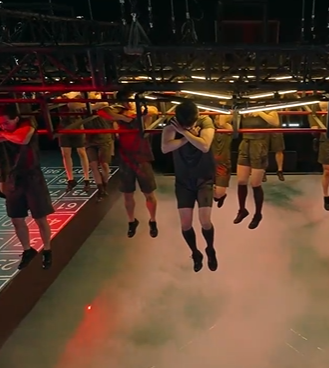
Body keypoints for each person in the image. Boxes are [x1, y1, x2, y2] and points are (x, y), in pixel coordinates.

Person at [0, 105, 55, 270]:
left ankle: (47, 250)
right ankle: (27, 250)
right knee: (16, 219)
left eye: (6, 123)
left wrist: (1, 135)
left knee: (40, 218)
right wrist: (6, 135)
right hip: (11, 178)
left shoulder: (27, 123)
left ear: (16, 118)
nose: (2, 126)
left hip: (32, 177)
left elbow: (22, 139)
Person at [161, 101, 219, 272]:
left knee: (205, 220)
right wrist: (188, 136)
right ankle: (195, 252)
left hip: (204, 177)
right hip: (183, 179)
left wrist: (183, 133)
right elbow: (165, 147)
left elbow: (205, 145)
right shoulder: (172, 125)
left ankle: (210, 249)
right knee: (185, 223)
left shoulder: (206, 121)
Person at [111, 90, 161, 238]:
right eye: (124, 101)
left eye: (129, 100)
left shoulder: (142, 111)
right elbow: (104, 112)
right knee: (127, 194)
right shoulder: (118, 112)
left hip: (141, 158)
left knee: (149, 193)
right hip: (125, 158)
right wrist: (123, 117)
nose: (127, 103)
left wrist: (134, 114)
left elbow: (153, 110)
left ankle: (153, 220)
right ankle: (131, 221)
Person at [59, 92, 115, 201]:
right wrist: (91, 106)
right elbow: (72, 105)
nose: (88, 93)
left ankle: (104, 184)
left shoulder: (99, 99)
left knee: (104, 165)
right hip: (90, 138)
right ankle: (100, 190)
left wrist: (91, 105)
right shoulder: (81, 101)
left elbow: (104, 104)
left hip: (104, 137)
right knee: (93, 165)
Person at [234, 110, 281, 229]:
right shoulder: (244, 107)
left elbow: (275, 122)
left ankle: (258, 214)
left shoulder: (267, 108)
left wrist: (259, 113)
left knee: (255, 183)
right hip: (245, 142)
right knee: (241, 181)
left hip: (259, 144)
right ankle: (242, 209)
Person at [56, 93, 92, 193]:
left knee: (82, 152)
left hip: (77, 125)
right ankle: (70, 179)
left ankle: (86, 179)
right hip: (64, 127)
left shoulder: (79, 94)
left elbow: (74, 105)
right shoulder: (61, 95)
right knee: (65, 154)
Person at [211, 113, 234, 207]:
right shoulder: (210, 128)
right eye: (216, 117)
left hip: (222, 164)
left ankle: (221, 196)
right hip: (210, 163)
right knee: (204, 191)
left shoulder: (228, 127)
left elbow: (222, 123)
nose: (218, 119)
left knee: (218, 194)